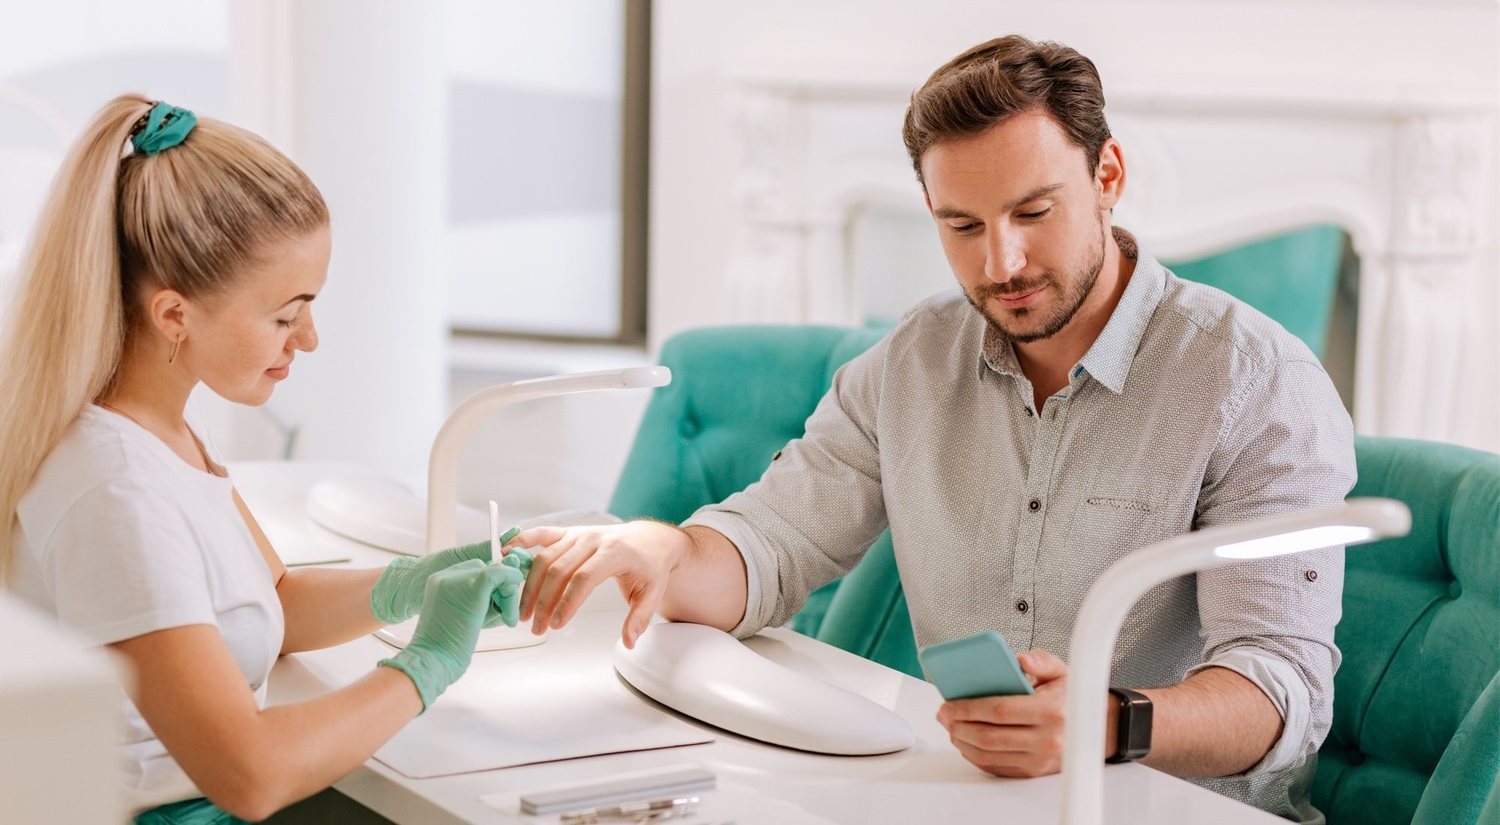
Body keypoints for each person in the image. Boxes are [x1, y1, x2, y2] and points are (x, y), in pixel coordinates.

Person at [505, 35, 1355, 824]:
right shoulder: (914, 357)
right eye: (962, 226)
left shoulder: (1257, 382)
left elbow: (1279, 690)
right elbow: (771, 543)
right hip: (964, 799)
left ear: (1107, 176)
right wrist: (663, 552)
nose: (1001, 264)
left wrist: (1104, 721)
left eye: (1033, 212)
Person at [0, 95, 528, 823]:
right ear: (174, 314)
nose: (307, 339)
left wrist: (419, 579)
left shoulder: (155, 433)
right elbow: (249, 773)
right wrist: (426, 662)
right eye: (286, 313)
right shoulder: (114, 488)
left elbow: (265, 600)